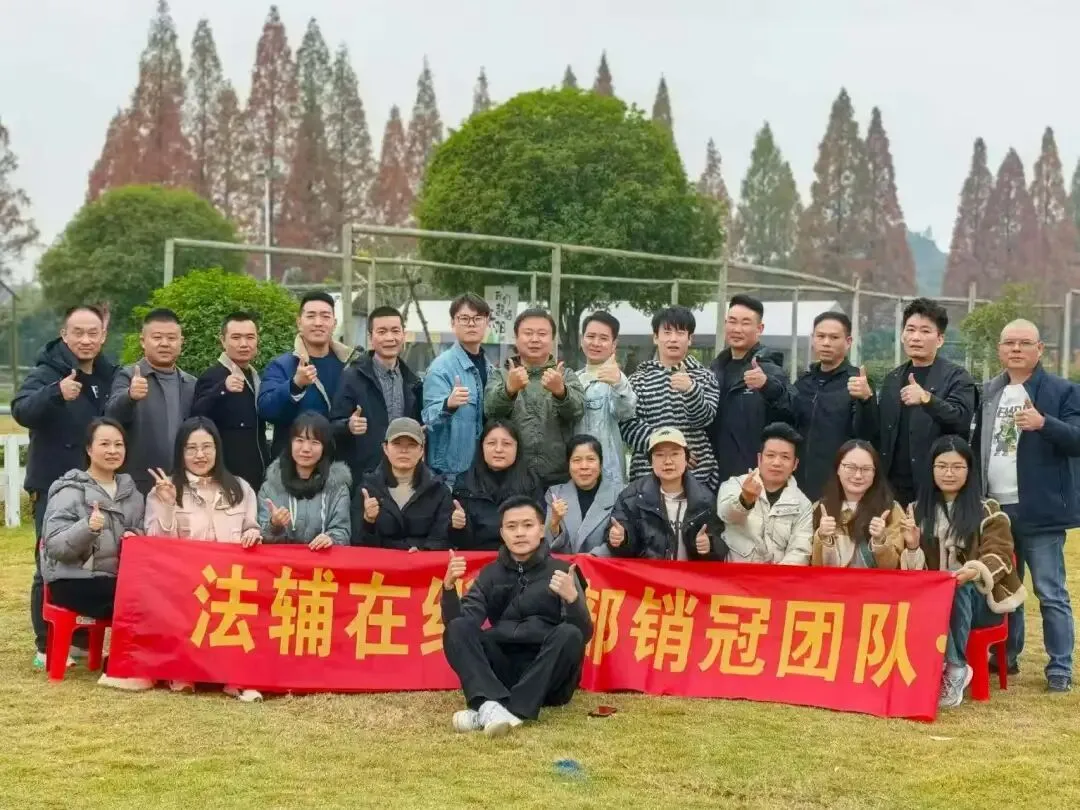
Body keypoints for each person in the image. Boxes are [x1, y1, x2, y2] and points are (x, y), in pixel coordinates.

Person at [974, 319, 1079, 693]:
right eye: (1009, 343)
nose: (1016, 349)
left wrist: (1043, 423)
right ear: (999, 349)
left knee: (1050, 592)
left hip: (1041, 510)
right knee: (1005, 587)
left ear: (1040, 349)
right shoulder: (989, 391)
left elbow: (1077, 439)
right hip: (995, 510)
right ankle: (1006, 656)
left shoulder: (1063, 391)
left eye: (1024, 343)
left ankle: (1060, 667)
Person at [12, 304, 115, 666]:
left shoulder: (108, 374)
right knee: (51, 560)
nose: (86, 340)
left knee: (91, 560)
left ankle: (81, 639)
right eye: (78, 332)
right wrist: (56, 392)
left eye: (93, 333)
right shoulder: (46, 372)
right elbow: (21, 410)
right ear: (64, 334)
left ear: (103, 336)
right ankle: (45, 644)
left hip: (95, 485)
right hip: (53, 485)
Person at [441, 495, 592, 736]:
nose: (520, 533)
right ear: (502, 533)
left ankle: (507, 711)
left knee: (569, 633)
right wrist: (449, 589)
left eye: (527, 525)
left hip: (548, 677)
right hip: (502, 673)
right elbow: (461, 625)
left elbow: (582, 635)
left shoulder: (563, 571)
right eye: (511, 527)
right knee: (457, 629)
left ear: (541, 530)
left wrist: (573, 600)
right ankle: (490, 705)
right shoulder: (490, 574)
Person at [899, 436, 1025, 708]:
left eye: (957, 467)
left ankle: (956, 668)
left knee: (958, 587)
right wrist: (912, 546)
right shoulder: (916, 511)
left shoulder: (988, 509)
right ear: (931, 469)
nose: (949, 473)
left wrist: (974, 572)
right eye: (941, 466)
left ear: (969, 471)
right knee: (930, 596)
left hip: (982, 599)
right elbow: (914, 574)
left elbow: (1000, 553)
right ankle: (933, 666)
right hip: (933, 602)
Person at [143, 417, 263, 701]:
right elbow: (156, 545)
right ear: (180, 452)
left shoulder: (240, 488)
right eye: (191, 448)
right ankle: (183, 671)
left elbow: (251, 526)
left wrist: (254, 533)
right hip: (185, 584)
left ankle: (236, 676)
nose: (200, 455)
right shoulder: (164, 489)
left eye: (207, 447)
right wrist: (168, 506)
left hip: (229, 583)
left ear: (217, 449)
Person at [41, 418, 152, 691]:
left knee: (155, 595)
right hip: (74, 579)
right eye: (105, 444)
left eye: (118, 444)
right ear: (89, 449)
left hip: (116, 579)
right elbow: (54, 546)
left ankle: (143, 664)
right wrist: (87, 528)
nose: (112, 450)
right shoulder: (70, 491)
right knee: (138, 601)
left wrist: (135, 536)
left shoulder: (132, 493)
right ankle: (119, 668)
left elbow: (142, 531)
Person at [874, 297, 977, 507]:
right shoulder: (893, 379)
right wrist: (866, 400)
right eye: (910, 330)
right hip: (892, 492)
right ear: (902, 335)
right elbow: (880, 433)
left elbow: (961, 419)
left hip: (936, 490)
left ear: (940, 339)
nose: (916, 337)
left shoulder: (957, 377)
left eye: (925, 331)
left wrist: (927, 399)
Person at [620, 306, 720, 490]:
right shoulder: (637, 380)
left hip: (697, 476)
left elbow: (705, 419)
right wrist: (670, 447)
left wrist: (691, 390)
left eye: (680, 333)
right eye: (667, 332)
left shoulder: (705, 377)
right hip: (647, 477)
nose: (673, 339)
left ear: (690, 338)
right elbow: (627, 424)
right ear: (655, 337)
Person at [484, 308, 585, 487]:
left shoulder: (565, 375)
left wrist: (561, 392)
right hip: (511, 477)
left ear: (552, 339)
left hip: (558, 477)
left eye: (542, 334)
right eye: (528, 333)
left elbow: (577, 412)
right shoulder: (501, 375)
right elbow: (490, 411)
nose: (535, 339)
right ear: (516, 338)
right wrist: (509, 390)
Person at [708, 294, 796, 486]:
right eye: (732, 321)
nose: (737, 329)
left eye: (745, 323)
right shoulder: (715, 370)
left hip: (753, 478)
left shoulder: (770, 370)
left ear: (759, 329)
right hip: (714, 477)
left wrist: (767, 386)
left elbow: (793, 411)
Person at [259, 291, 358, 458]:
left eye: (325, 317)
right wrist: (295, 385)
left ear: (334, 323)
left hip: (342, 464)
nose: (318, 323)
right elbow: (267, 411)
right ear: (299, 322)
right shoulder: (282, 366)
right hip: (294, 464)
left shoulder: (351, 365)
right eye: (311, 316)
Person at [107, 308, 196, 495]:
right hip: (138, 485)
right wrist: (129, 396)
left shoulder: (190, 383)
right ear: (143, 341)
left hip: (183, 483)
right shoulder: (128, 376)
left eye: (171, 338)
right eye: (157, 337)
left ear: (181, 342)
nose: (164, 343)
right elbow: (110, 417)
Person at [331, 306, 422, 486]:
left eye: (395, 331)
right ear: (370, 337)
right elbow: (332, 426)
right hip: (364, 478)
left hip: (404, 476)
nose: (389, 338)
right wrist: (348, 425)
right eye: (382, 331)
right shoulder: (352, 377)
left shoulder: (412, 381)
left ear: (403, 335)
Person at [791, 311, 878, 500]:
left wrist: (866, 400)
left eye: (834, 337)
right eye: (820, 336)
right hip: (798, 484)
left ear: (848, 342)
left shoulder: (858, 382)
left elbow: (868, 435)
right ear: (813, 339)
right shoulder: (803, 383)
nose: (826, 343)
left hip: (839, 486)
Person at [606, 427, 726, 560]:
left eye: (675, 454)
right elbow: (621, 546)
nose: (668, 461)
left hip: (688, 572)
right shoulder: (631, 496)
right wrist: (622, 539)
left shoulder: (704, 499)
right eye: (660, 455)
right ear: (651, 461)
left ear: (686, 459)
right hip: (648, 572)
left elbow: (720, 543)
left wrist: (710, 546)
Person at [422, 293, 494, 485]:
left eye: (477, 318)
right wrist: (448, 405)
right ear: (453, 323)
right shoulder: (441, 368)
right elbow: (428, 420)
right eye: (464, 318)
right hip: (449, 476)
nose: (471, 324)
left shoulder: (491, 369)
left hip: (482, 472)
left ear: (487, 323)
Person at [192, 312, 269, 491]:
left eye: (250, 337)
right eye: (236, 337)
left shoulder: (255, 376)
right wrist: (222, 389)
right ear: (223, 340)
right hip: (226, 479)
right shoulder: (213, 376)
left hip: (257, 476)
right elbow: (196, 416)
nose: (244, 344)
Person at [716, 422, 813, 564]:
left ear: (795, 464)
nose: (777, 463)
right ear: (759, 459)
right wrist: (745, 500)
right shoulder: (735, 484)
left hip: (779, 576)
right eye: (770, 455)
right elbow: (726, 515)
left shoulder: (803, 504)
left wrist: (774, 577)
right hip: (737, 574)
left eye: (785, 457)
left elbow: (800, 551)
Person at [353, 417, 453, 550]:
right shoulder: (368, 489)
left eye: (411, 445)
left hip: (422, 561)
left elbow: (442, 540)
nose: (404, 450)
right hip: (380, 562)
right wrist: (368, 521)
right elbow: (357, 544)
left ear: (422, 450)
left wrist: (423, 551)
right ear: (385, 448)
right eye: (397, 444)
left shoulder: (439, 490)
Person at [257, 412, 351, 549]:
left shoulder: (337, 487)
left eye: (315, 442)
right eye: (300, 440)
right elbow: (260, 537)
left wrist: (331, 538)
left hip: (321, 561)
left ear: (325, 447)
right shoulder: (270, 487)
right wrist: (274, 525)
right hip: (282, 562)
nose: (306, 449)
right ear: (290, 443)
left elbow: (343, 532)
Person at [810, 440, 906, 568]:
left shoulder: (891, 509)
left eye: (866, 469)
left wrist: (880, 541)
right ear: (838, 469)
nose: (858, 475)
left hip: (872, 581)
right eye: (851, 467)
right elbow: (812, 566)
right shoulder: (819, 508)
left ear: (875, 473)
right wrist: (822, 536)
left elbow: (894, 568)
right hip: (830, 581)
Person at [450, 420, 542, 551]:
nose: (498, 450)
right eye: (491, 443)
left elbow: (537, 532)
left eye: (506, 444)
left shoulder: (530, 482)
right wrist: (458, 527)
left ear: (517, 448)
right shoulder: (465, 482)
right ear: (481, 447)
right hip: (477, 555)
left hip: (520, 555)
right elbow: (462, 542)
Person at [573, 312, 637, 491]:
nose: (595, 343)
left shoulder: (617, 379)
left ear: (613, 345)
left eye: (603, 338)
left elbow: (626, 412)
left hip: (609, 473)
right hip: (574, 470)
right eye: (590, 336)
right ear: (582, 340)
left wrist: (618, 384)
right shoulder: (572, 379)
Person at [543, 435, 618, 555]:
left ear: (600, 463)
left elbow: (624, 542)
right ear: (568, 464)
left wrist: (592, 557)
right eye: (577, 460)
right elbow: (547, 545)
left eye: (591, 459)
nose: (584, 466)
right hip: (564, 566)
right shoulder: (555, 494)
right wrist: (555, 523)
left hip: (601, 564)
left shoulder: (619, 494)